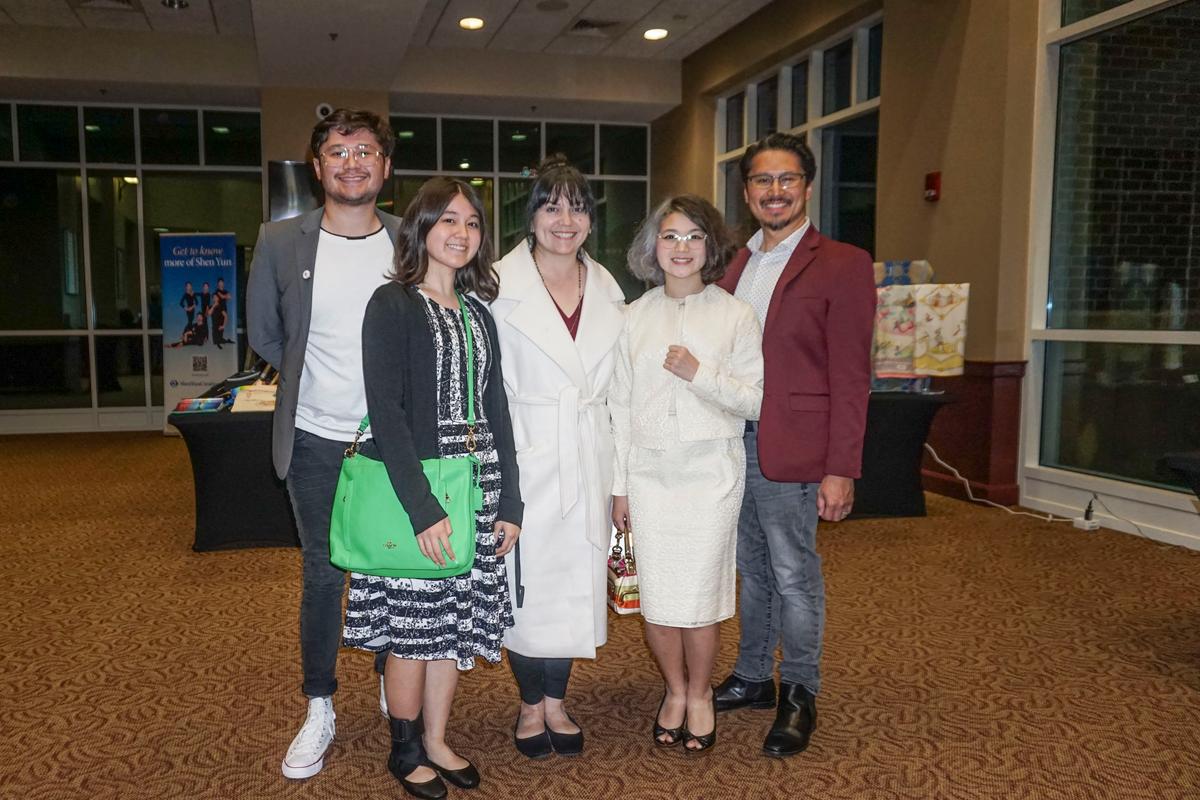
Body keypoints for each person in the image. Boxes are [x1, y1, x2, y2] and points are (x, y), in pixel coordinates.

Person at [343, 177, 523, 800]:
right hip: (417, 488)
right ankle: (405, 747)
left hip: (478, 483)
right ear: (420, 228)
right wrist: (423, 509)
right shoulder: (390, 304)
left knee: (452, 627)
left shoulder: (478, 314)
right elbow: (386, 415)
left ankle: (440, 738)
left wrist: (511, 502)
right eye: (448, 220)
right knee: (415, 631)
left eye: (472, 224)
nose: (462, 234)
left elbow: (497, 411)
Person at [246, 107, 400, 780]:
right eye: (338, 151)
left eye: (364, 150)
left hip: (393, 444)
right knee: (323, 574)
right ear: (317, 167)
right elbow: (266, 334)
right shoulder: (281, 241)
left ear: (385, 167)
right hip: (313, 438)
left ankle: (397, 686)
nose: (351, 162)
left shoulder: (409, 240)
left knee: (396, 572)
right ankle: (320, 705)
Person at [712, 132, 875, 757]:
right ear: (747, 191)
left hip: (798, 445)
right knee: (751, 570)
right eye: (761, 180)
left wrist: (842, 468)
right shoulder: (733, 264)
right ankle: (754, 676)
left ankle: (799, 689)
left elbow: (851, 375)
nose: (773, 191)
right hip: (734, 441)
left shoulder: (842, 263)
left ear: (807, 187)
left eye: (786, 179)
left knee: (793, 573)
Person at [609, 195, 763, 753]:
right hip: (648, 473)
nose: (681, 248)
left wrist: (701, 374)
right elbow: (620, 405)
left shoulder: (735, 314)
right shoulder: (634, 316)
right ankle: (673, 690)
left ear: (710, 246)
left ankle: (700, 694)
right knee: (657, 595)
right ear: (653, 246)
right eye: (670, 236)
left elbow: (755, 401)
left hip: (710, 474)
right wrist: (620, 485)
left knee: (699, 593)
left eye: (693, 236)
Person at [489, 155, 626, 758]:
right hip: (524, 451)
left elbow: (620, 391)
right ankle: (529, 703)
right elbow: (484, 385)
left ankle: (559, 701)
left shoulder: (610, 286)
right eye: (550, 205)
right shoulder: (495, 283)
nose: (563, 219)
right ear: (532, 215)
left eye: (576, 206)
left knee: (575, 585)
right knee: (528, 586)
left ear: (591, 219)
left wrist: (620, 480)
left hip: (590, 451)